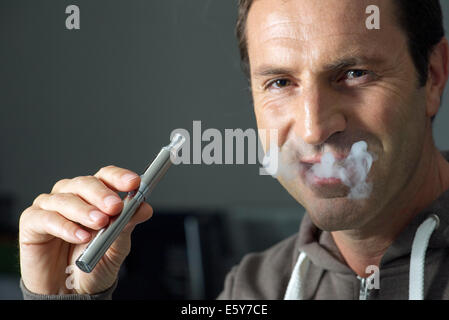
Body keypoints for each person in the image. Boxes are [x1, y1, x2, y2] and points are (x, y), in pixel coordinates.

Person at [19, 0, 449, 300]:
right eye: (280, 82)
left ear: (432, 76)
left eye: (354, 73)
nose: (314, 127)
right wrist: (65, 298)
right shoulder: (253, 288)